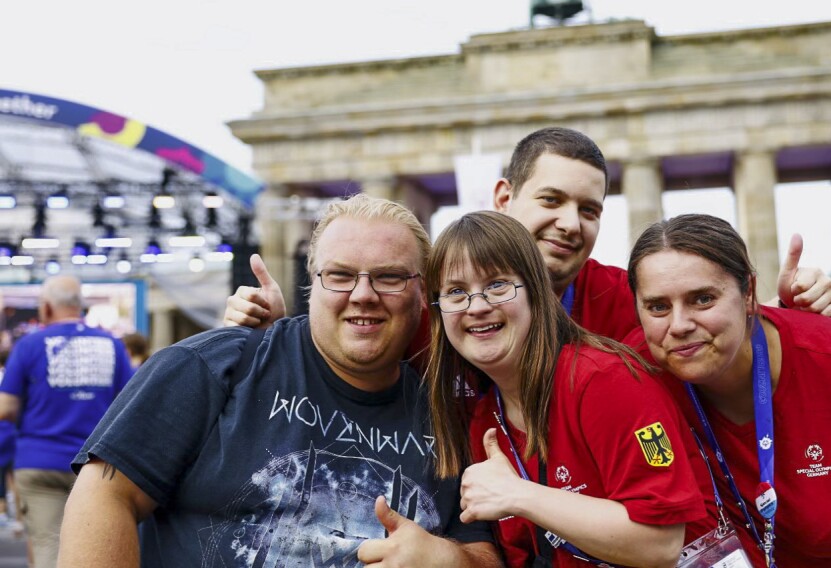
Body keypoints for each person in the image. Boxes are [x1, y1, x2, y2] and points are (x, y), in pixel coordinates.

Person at [57, 195, 500, 568]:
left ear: (424, 294)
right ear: (312, 284)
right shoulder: (212, 367)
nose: (363, 294)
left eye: (389, 277)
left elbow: (482, 550)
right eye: (341, 275)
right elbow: (105, 495)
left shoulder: (447, 413)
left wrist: (445, 557)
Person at [223, 127, 831, 340]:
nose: (571, 223)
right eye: (551, 199)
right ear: (503, 198)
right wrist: (280, 332)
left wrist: (792, 315)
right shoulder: (431, 294)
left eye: (590, 209)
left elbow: (712, 340)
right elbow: (360, 330)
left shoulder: (630, 298)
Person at [627, 213, 831, 567]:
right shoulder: (632, 373)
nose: (679, 325)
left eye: (702, 299)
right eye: (658, 306)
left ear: (749, 294)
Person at [425, 211, 704, 567]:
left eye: (497, 285)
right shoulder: (486, 420)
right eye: (456, 292)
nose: (477, 306)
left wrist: (521, 495)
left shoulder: (603, 381)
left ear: (536, 292)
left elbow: (661, 543)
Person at [0, 275, 135, 568]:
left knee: (49, 543)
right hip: (97, 464)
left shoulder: (29, 346)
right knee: (96, 547)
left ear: (46, 308)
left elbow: (6, 408)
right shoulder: (111, 345)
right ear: (80, 307)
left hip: (39, 462)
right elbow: (131, 403)